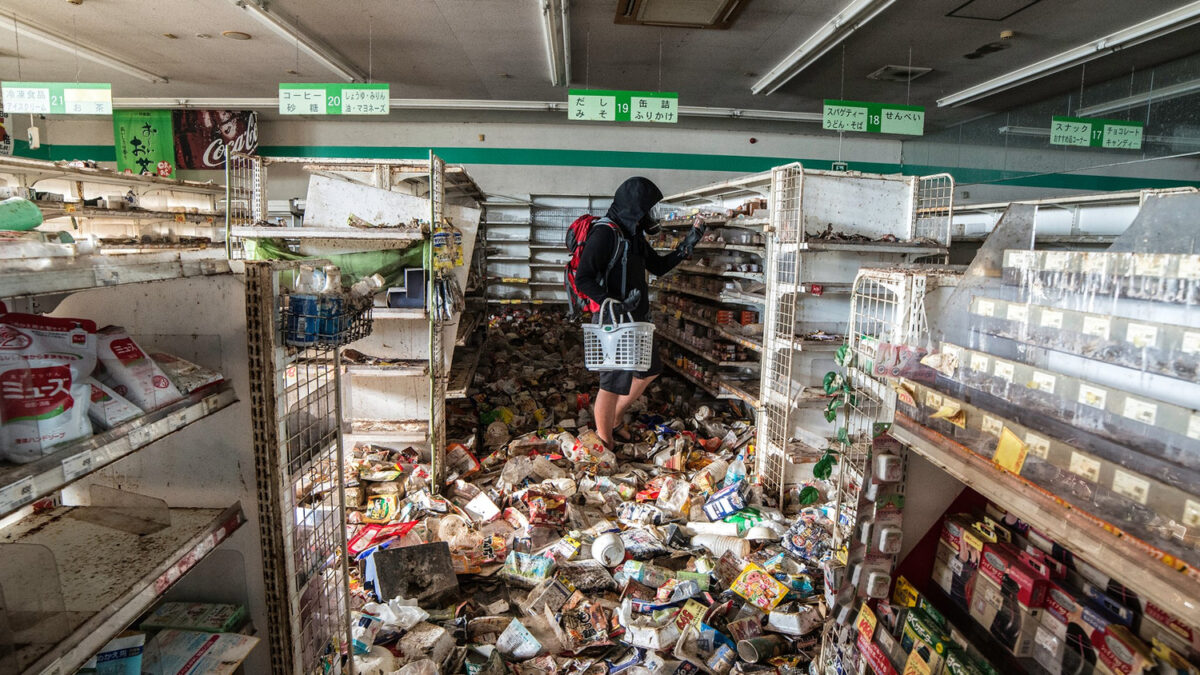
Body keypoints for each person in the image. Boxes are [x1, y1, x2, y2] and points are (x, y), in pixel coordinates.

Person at [575, 176, 706, 449]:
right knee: (611, 383)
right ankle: (605, 444)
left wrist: (687, 245)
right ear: (634, 208)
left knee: (649, 370)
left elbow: (657, 266)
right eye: (646, 209)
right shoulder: (605, 233)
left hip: (637, 320)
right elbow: (583, 278)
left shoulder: (632, 234)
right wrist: (611, 302)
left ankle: (615, 419)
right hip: (613, 320)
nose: (650, 216)